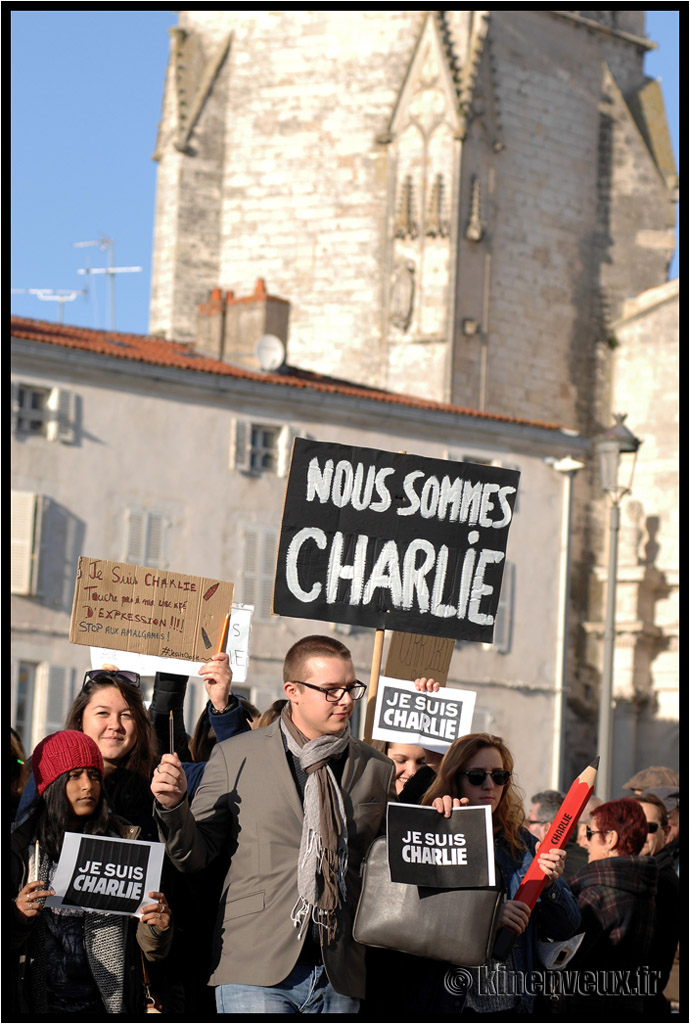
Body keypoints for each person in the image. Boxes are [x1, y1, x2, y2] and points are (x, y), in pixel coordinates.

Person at [152, 634, 397, 1014]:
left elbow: (389, 863)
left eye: (352, 688)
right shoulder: (237, 755)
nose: (346, 700)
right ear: (293, 691)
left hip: (339, 970)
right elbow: (194, 855)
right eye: (331, 690)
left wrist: (444, 816)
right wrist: (173, 806)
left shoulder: (376, 767)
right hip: (254, 963)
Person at [10, 730, 172, 1016]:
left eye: (94, 775)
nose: (88, 785)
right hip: (36, 1007)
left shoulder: (126, 845)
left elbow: (150, 951)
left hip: (106, 1008)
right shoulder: (21, 848)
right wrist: (17, 915)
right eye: (74, 775)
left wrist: (157, 927)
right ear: (52, 784)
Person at [421, 733, 581, 1016]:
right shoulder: (432, 830)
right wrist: (487, 917)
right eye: (476, 776)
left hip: (512, 1005)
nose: (489, 785)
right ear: (455, 778)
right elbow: (417, 918)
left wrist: (551, 886)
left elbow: (566, 927)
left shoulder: (523, 844)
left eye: (500, 776)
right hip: (449, 1002)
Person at [565, 798, 658, 1015]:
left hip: (588, 1007)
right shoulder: (643, 883)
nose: (585, 842)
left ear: (610, 839)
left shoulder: (598, 893)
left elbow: (566, 958)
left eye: (591, 834)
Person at [634, 793, 679, 1016]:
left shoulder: (662, 883)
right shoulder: (638, 874)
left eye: (649, 827)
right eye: (633, 825)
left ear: (667, 832)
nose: (640, 833)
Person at [527, 789, 588, 877]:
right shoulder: (586, 858)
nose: (526, 827)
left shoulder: (551, 870)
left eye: (530, 822)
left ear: (547, 828)